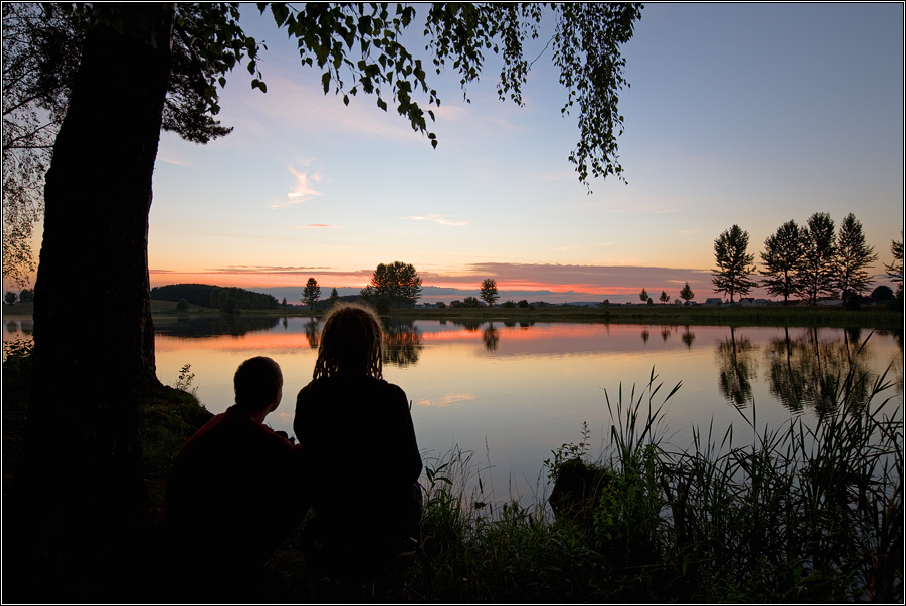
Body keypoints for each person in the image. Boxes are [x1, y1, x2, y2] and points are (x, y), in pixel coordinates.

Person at [166, 356, 309, 598]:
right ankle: (244, 565)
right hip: (203, 546)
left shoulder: (222, 421)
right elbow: (302, 460)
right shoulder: (252, 434)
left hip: (181, 532)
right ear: (276, 396)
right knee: (304, 483)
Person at [294, 303, 422, 567]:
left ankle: (348, 544)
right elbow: (411, 468)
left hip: (333, 512)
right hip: (384, 513)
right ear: (373, 346)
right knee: (414, 491)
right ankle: (395, 548)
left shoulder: (309, 397)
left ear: (328, 345)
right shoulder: (390, 397)